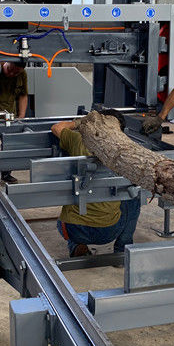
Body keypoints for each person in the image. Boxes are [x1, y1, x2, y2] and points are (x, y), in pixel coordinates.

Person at [51, 110, 141, 257]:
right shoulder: (127, 149)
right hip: (109, 231)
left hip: (73, 229)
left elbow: (56, 128)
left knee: (73, 194)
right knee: (133, 193)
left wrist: (81, 122)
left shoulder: (77, 140)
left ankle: (77, 245)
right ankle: (122, 249)